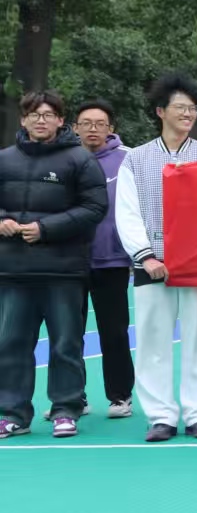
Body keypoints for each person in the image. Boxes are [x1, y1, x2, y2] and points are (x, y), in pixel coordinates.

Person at [116, 73, 197, 441]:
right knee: (153, 341)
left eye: (192, 108)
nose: (188, 114)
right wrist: (146, 256)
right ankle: (160, 416)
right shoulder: (136, 158)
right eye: (180, 107)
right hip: (152, 265)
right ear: (160, 111)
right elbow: (127, 212)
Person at [0, 90, 108, 439]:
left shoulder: (80, 160)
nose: (41, 120)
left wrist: (45, 229)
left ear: (61, 121)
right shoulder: (4, 159)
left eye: (48, 114)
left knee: (66, 344)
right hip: (13, 271)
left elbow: (94, 208)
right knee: (11, 344)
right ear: (23, 119)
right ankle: (12, 414)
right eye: (34, 114)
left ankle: (65, 410)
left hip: (64, 271)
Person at [73, 100, 135, 418]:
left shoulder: (128, 159)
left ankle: (120, 397)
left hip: (112, 260)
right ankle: (74, 398)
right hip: (70, 261)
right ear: (75, 128)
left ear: (111, 128)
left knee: (114, 332)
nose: (93, 129)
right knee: (69, 333)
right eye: (86, 123)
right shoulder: (64, 158)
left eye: (100, 123)